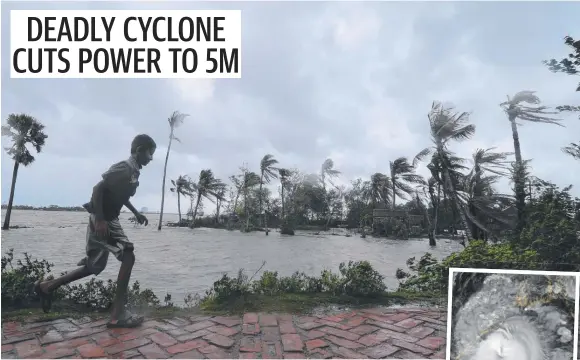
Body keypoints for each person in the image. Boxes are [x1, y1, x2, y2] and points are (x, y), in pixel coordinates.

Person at [34, 134, 156, 328]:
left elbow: (119, 194)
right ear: (140, 150)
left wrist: (136, 213)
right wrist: (100, 219)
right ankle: (118, 314)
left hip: (109, 219)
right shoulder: (125, 167)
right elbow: (98, 188)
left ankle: (47, 287)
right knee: (128, 255)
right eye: (150, 153)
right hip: (104, 219)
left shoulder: (133, 172)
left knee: (93, 267)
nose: (151, 158)